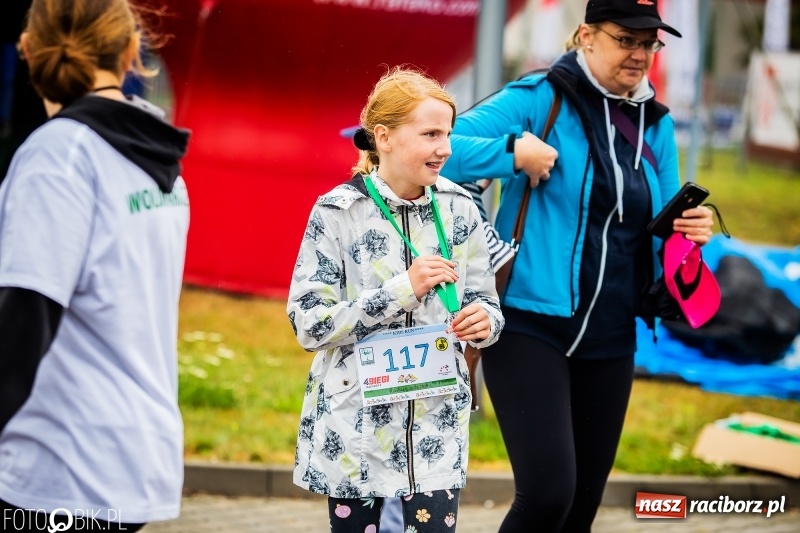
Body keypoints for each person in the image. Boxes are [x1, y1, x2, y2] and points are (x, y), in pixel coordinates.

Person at [441, 0, 714, 531]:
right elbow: (436, 149)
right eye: (625, 39)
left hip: (612, 334)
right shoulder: (539, 97)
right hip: (527, 322)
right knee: (547, 495)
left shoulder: (655, 123)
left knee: (581, 507)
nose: (639, 54)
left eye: (648, 43)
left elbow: (660, 224)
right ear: (586, 36)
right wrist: (513, 153)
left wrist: (690, 230)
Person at [287, 67, 504, 532]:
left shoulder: (460, 207)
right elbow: (309, 324)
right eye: (429, 134)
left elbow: (488, 301)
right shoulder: (337, 211)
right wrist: (401, 291)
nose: (444, 148)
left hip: (435, 429)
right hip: (357, 433)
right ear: (383, 137)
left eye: (448, 133)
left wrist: (483, 322)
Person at [0, 0, 190, 531]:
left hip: (58, 469)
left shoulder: (59, 155)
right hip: (136, 457)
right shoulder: (164, 165)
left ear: (29, 51)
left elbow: (24, 317)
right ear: (132, 52)